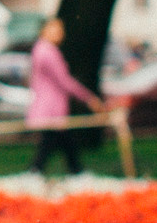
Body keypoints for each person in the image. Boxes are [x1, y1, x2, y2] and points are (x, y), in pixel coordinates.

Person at [27, 18, 103, 174]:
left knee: (59, 141)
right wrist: (88, 98)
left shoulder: (40, 50)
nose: (60, 34)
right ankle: (71, 171)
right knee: (56, 141)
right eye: (56, 29)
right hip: (51, 109)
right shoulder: (47, 52)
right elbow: (65, 81)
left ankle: (73, 170)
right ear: (44, 30)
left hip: (49, 108)